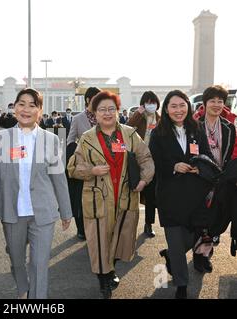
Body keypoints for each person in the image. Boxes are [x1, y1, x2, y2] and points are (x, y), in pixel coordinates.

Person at [0, 88, 72, 299]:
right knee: (16, 259)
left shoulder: (50, 140)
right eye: (21, 104)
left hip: (43, 211)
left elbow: (59, 177)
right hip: (12, 211)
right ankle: (23, 288)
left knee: (40, 264)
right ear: (14, 107)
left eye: (33, 105)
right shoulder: (2, 137)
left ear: (40, 111)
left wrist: (66, 210)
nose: (26, 109)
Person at [68, 91, 154, 299]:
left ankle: (110, 269)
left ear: (117, 111)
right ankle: (104, 278)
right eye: (102, 110)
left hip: (125, 196)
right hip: (97, 198)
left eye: (111, 109)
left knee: (120, 238)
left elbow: (146, 158)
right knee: (99, 240)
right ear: (94, 113)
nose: (107, 113)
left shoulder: (130, 134)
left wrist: (144, 180)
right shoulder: (87, 139)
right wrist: (91, 171)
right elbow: (72, 168)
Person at [149, 90, 214, 299]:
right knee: (176, 241)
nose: (179, 110)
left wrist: (200, 168)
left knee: (193, 236)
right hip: (171, 197)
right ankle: (182, 284)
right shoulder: (158, 134)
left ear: (188, 106)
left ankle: (172, 256)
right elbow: (154, 162)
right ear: (166, 110)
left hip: (195, 196)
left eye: (182, 105)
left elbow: (207, 156)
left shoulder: (197, 130)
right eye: (173, 106)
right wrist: (173, 166)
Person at [194, 85, 236, 272]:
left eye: (220, 101)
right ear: (205, 103)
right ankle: (199, 257)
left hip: (221, 180)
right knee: (201, 220)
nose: (217, 104)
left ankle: (206, 252)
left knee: (215, 220)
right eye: (213, 101)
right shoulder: (195, 125)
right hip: (200, 180)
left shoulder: (229, 127)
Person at [66, 87, 101, 241]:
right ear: (88, 100)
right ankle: (81, 228)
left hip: (102, 165)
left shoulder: (105, 116)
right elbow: (70, 140)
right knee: (81, 197)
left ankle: (97, 227)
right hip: (84, 165)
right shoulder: (78, 119)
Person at [127, 91, 161, 238]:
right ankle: (128, 225)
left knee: (150, 195)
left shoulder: (161, 119)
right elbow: (127, 127)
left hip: (154, 160)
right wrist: (138, 113)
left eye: (153, 102)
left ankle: (149, 224)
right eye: (148, 102)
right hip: (137, 159)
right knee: (133, 191)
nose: (151, 105)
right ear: (143, 104)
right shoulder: (139, 118)